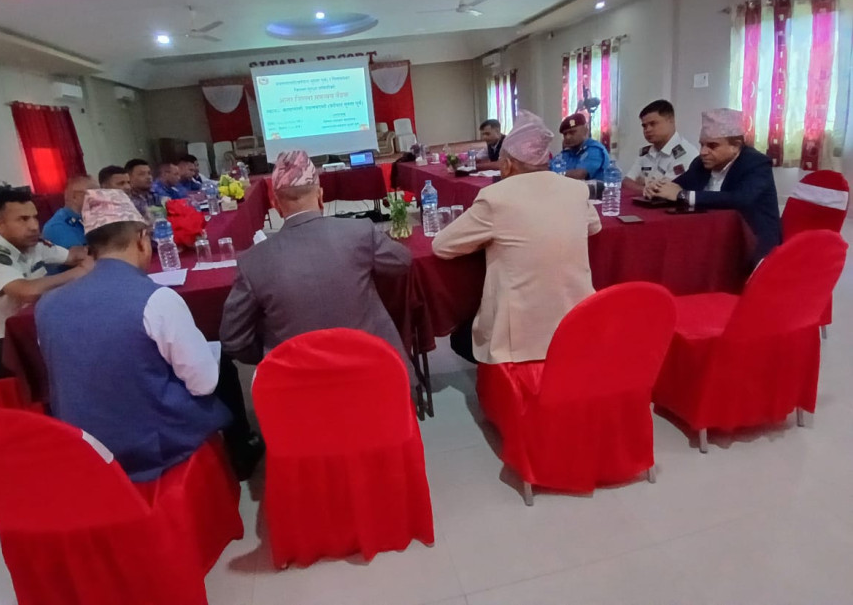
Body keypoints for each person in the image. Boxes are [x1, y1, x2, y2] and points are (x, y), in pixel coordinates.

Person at [35, 189, 232, 482]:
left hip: (83, 446)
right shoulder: (156, 299)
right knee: (219, 368)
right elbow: (203, 384)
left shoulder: (46, 305)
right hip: (148, 446)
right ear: (142, 239)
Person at [432, 111, 602, 365]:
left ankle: (503, 382)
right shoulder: (576, 189)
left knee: (460, 339)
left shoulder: (496, 197)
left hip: (520, 335)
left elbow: (442, 246)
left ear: (507, 164)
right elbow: (594, 227)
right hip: (575, 322)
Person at [220, 149, 412, 367]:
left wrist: (272, 353)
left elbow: (233, 340)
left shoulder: (252, 262)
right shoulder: (359, 232)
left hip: (298, 381)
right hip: (376, 372)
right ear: (321, 197)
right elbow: (402, 261)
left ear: (275, 205)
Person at [0, 188, 92, 381]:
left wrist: (105, 249)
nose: (33, 226)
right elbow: (26, 292)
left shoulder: (33, 245)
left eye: (34, 217)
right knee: (74, 355)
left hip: (25, 331)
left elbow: (73, 256)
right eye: (23, 219)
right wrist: (79, 272)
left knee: (87, 334)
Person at [646, 108, 782, 262]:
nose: (703, 152)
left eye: (712, 146)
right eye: (702, 145)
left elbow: (740, 199)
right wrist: (656, 189)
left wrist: (682, 195)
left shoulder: (756, 163)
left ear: (735, 146)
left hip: (752, 242)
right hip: (714, 238)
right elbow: (677, 186)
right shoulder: (701, 163)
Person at [625, 100, 699, 193]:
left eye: (653, 124)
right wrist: (645, 189)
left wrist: (643, 183)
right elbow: (626, 183)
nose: (647, 130)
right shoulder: (646, 153)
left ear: (671, 121)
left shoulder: (686, 153)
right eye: (644, 126)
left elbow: (667, 193)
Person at [41, 175, 96, 251]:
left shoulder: (92, 219)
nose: (100, 198)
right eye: (94, 193)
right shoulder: (57, 228)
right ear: (75, 197)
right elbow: (83, 257)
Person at [558, 112, 610, 181]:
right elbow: (549, 167)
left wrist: (554, 175)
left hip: (592, 188)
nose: (567, 137)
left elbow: (579, 175)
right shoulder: (568, 152)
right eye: (565, 134)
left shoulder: (595, 150)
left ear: (585, 130)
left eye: (572, 132)